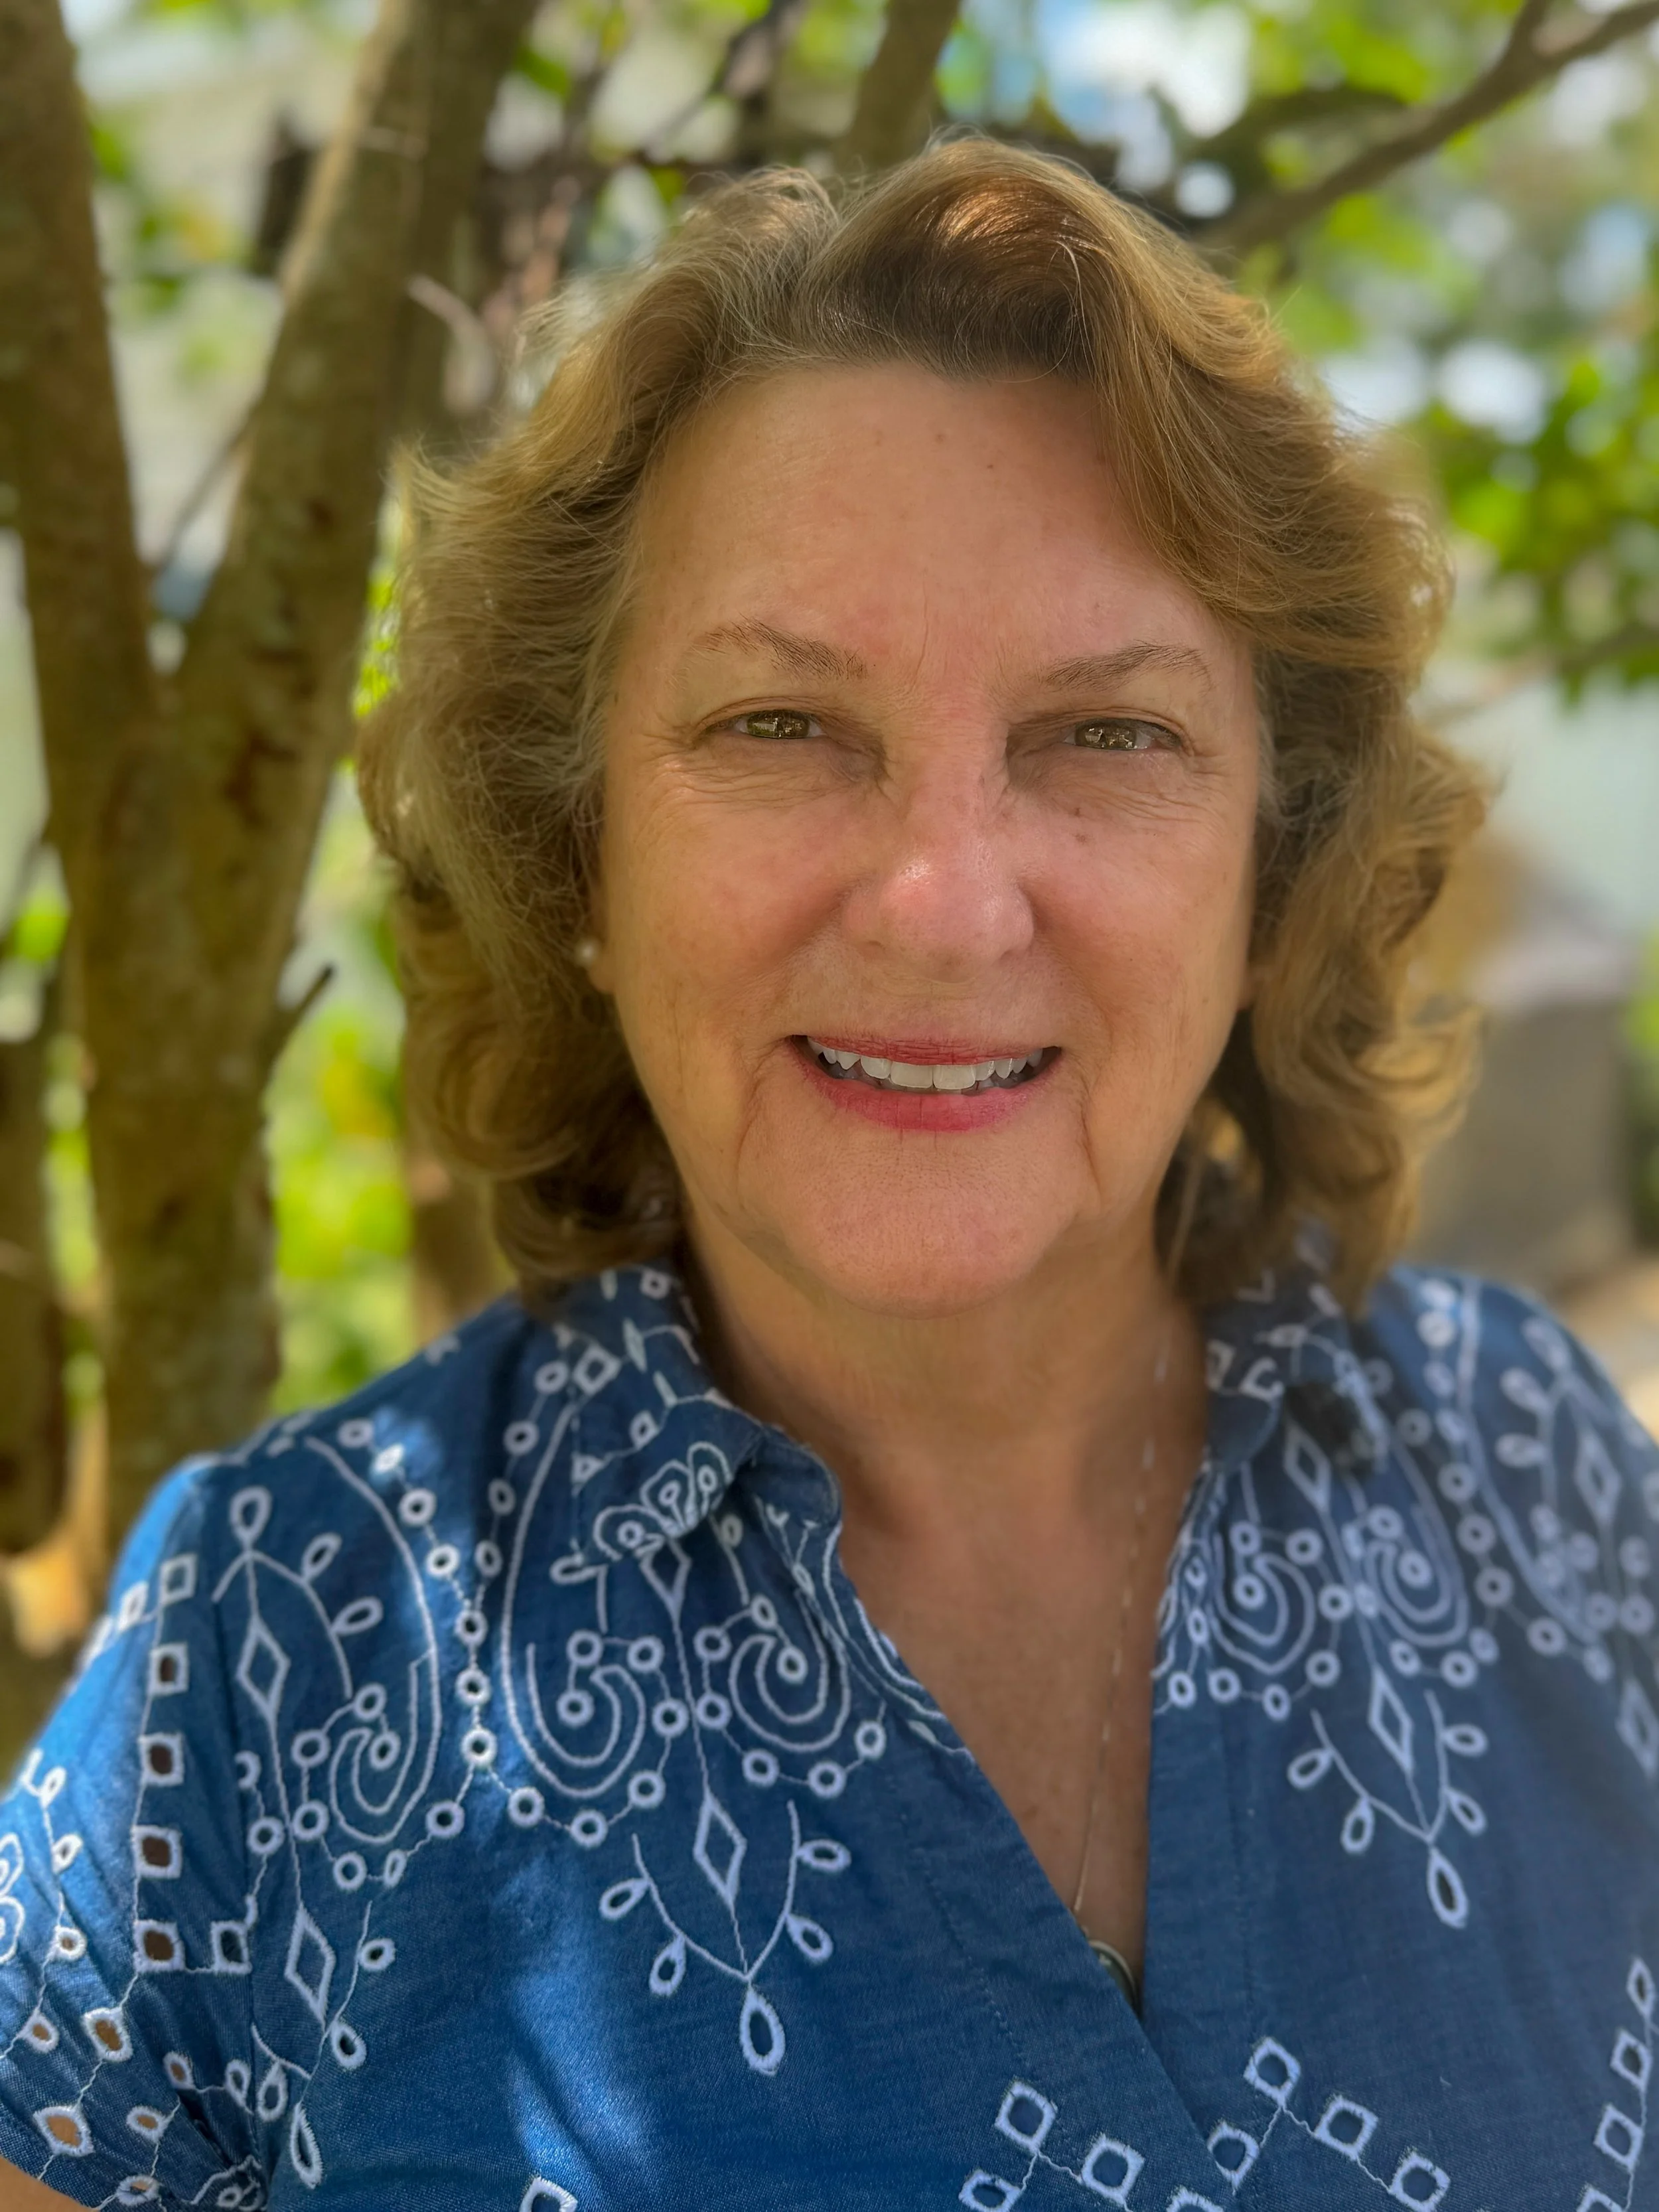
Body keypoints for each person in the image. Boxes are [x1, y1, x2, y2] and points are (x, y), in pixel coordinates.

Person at [0, 138, 1654, 2212]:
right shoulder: (263, 1661)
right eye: (780, 723)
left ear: (1272, 867)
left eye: (1107, 735)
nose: (946, 903)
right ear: (575, 853)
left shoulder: (1544, 1472)